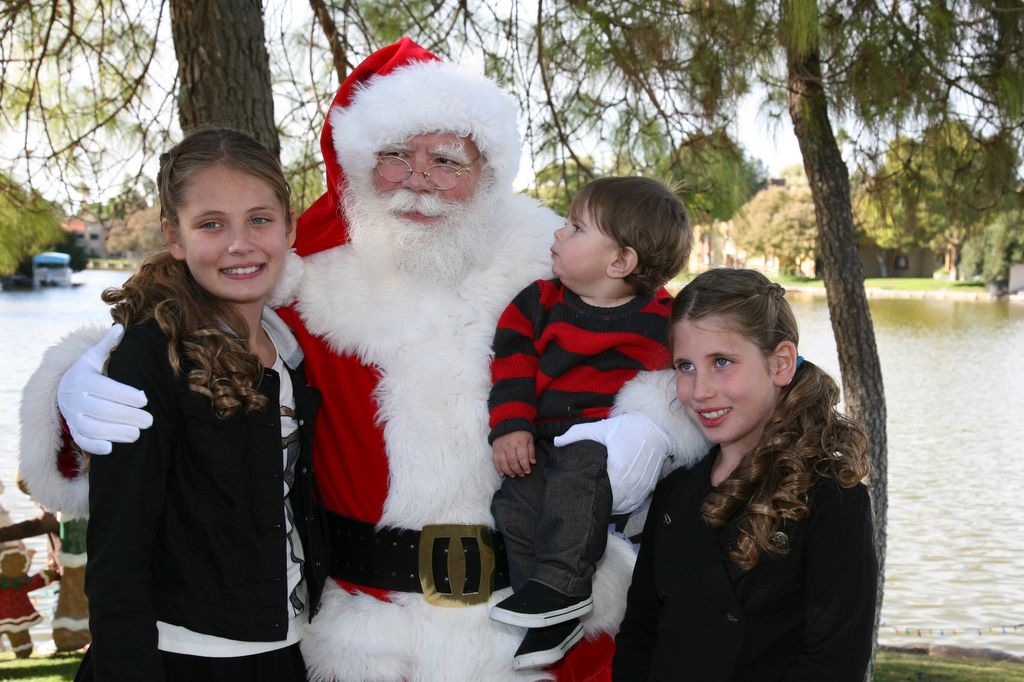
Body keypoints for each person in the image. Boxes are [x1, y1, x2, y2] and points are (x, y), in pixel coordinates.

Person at [20, 39, 707, 681]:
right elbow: (187, 312)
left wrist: (650, 426)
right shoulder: (307, 276)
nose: (418, 181)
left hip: (532, 632)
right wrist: (82, 375)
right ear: (357, 164)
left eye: (447, 160)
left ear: (488, 171)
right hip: (360, 641)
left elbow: (696, 351)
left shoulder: (550, 258)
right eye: (394, 156)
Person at [69, 128, 327, 681]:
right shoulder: (153, 354)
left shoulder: (292, 353)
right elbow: (118, 547)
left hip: (286, 650)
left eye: (260, 219)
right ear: (175, 236)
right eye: (212, 224)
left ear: (289, 227)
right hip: (183, 657)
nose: (241, 243)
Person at [612, 268, 878, 681]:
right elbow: (641, 630)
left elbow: (833, 663)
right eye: (685, 366)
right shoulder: (674, 489)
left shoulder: (832, 500)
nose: (699, 390)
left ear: (781, 363)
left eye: (721, 362)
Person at [486, 177, 691, 670]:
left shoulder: (663, 319)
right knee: (513, 502)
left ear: (620, 262)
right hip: (545, 437)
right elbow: (511, 366)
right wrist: (511, 427)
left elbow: (687, 380)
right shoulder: (537, 303)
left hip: (607, 443)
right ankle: (544, 606)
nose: (558, 234)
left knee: (578, 477)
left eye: (576, 228)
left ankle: (563, 586)